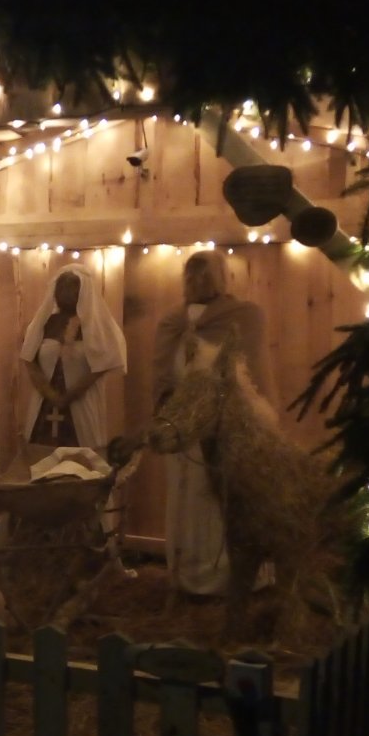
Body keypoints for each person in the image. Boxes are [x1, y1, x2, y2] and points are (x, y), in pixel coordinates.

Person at [149, 249, 275, 596]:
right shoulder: (173, 322)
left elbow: (248, 371)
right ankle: (192, 574)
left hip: (227, 423)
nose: (197, 282)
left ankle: (230, 575)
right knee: (192, 494)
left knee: (222, 495)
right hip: (185, 426)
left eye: (204, 275)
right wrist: (172, 413)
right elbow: (162, 376)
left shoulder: (243, 316)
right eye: (192, 275)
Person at [20, 264, 127, 450]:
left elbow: (101, 365)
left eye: (71, 288)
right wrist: (51, 394)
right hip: (45, 406)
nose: (66, 294)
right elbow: (30, 360)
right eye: (62, 288)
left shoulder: (97, 327)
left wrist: (69, 396)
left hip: (82, 404)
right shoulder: (43, 324)